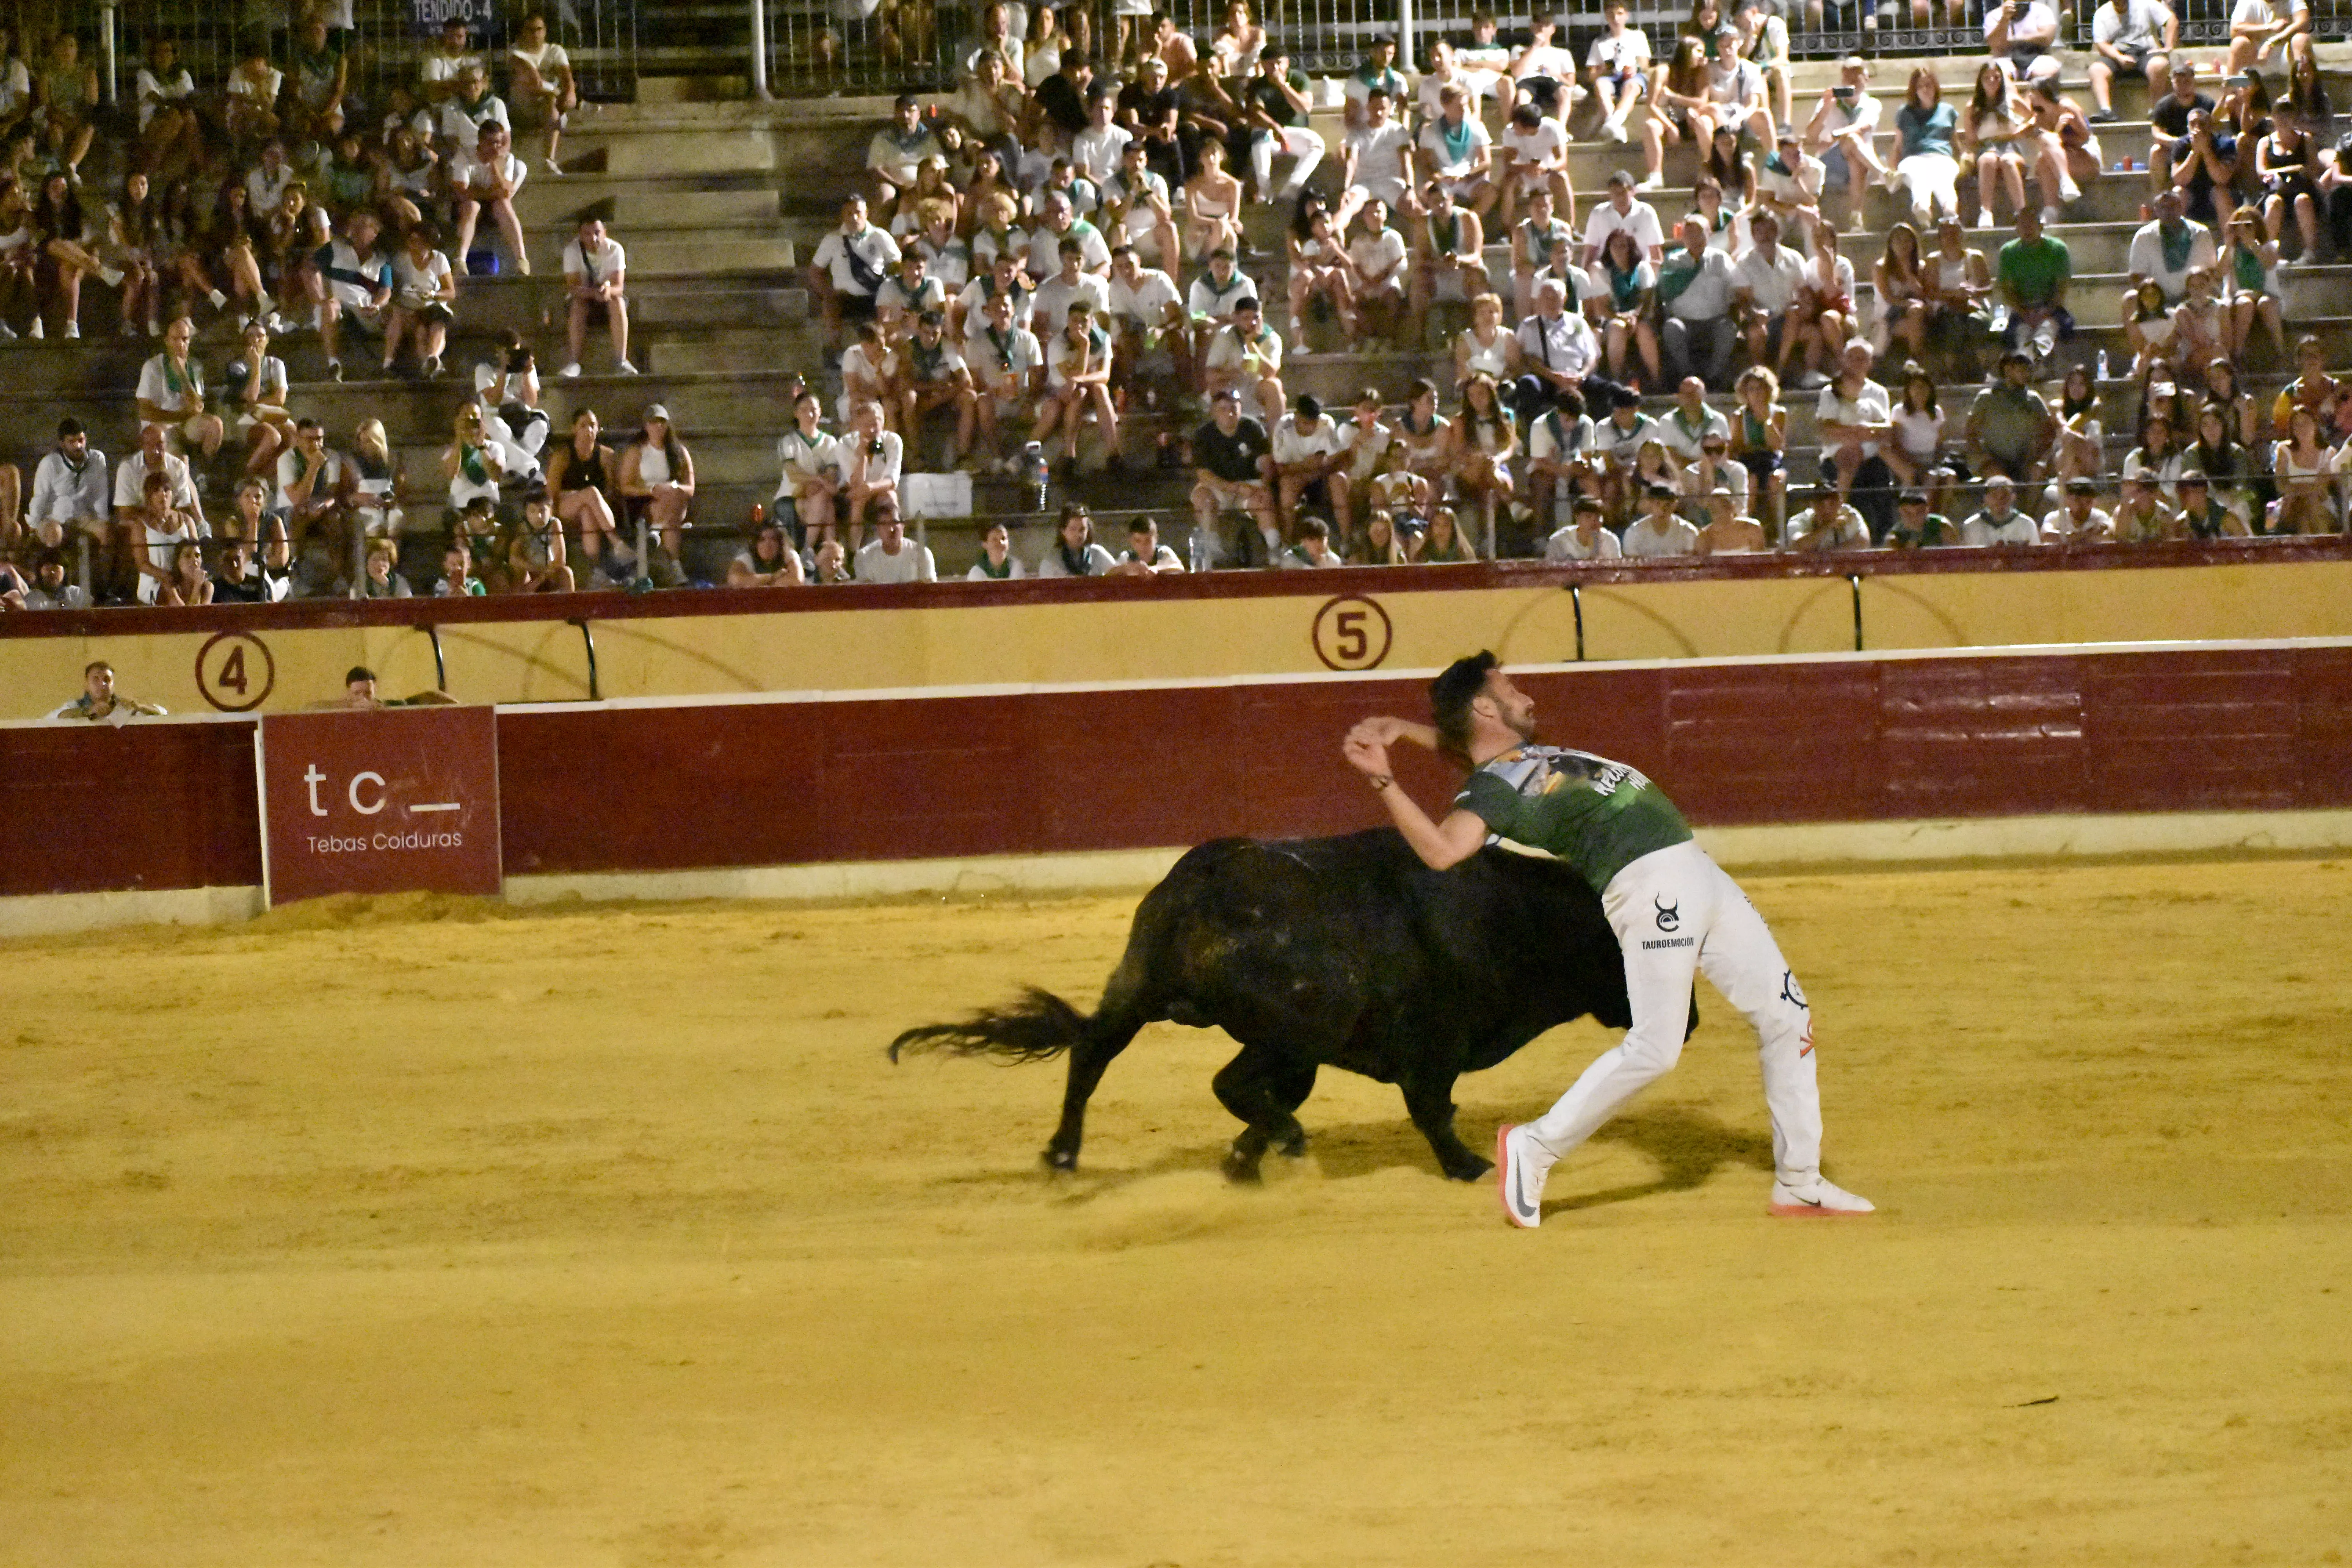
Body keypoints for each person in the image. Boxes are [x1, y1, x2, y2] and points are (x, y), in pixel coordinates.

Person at [1344, 654, 1872, 1225]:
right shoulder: (1490, 791)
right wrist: (1383, 778)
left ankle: (1799, 1181)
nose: (1528, 697)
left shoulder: (1515, 759)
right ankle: (1536, 1147)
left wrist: (1404, 731)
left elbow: (1466, 744)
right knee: (1655, 1047)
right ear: (1484, 706)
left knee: (1788, 1017)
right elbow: (1443, 850)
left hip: (1696, 871)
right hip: (1650, 888)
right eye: (1511, 689)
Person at [1190, 387, 1276, 566]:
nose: (1230, 413)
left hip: (1250, 484)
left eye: (1233, 408)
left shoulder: (1253, 428)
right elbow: (1204, 475)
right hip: (1220, 487)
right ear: (1213, 412)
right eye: (1223, 409)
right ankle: (1212, 551)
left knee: (1264, 500)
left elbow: (1266, 464)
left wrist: (1264, 487)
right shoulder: (1204, 435)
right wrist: (1235, 488)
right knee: (1202, 499)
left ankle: (1275, 548)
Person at [1996, 206, 2073, 365]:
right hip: (2022, 309)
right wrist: (2024, 313)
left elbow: (2062, 287)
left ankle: (2030, 363)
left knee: (2047, 329)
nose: (2027, 229)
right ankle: (2032, 364)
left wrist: (2046, 311)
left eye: (2031, 224)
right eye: (2022, 225)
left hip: (2051, 308)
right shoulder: (2008, 252)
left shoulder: (2057, 249)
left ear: (2041, 227)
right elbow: (2007, 290)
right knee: (2022, 331)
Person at [560, 215, 633, 378]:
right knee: (578, 305)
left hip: (607, 299)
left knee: (618, 303)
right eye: (587, 234)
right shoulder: (572, 251)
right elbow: (573, 287)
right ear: (580, 235)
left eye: (597, 233)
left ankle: (621, 360)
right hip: (584, 297)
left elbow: (619, 287)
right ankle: (574, 362)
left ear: (604, 233)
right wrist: (593, 293)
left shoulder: (615, 249)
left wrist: (607, 292)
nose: (594, 238)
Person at [2090, 0, 2177, 122]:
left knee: (2160, 65)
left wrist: (2169, 46)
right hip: (2117, 54)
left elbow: (2171, 19)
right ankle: (2106, 111)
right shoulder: (2102, 13)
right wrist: (2119, 58)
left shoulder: (2146, 4)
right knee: (2096, 70)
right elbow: (2101, 44)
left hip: (2147, 52)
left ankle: (2156, 111)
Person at [51, 661, 165, 723]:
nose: (103, 684)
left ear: (113, 684)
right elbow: (56, 718)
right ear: (86, 685)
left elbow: (163, 714)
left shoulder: (123, 707)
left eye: (107, 680)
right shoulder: (75, 706)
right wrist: (88, 711)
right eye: (96, 680)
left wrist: (139, 707)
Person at [1958, 474, 2042, 544]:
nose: (2000, 501)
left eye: (2005, 496)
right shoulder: (1972, 525)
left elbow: (2036, 556)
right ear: (1986, 498)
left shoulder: (2027, 524)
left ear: (2013, 497)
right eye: (1994, 496)